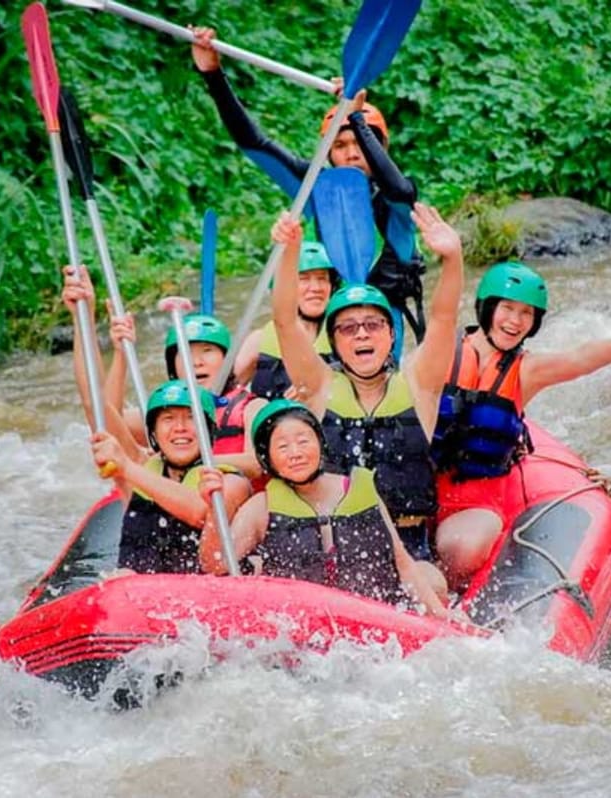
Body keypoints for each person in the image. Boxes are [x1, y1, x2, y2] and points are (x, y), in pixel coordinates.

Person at [432, 262, 611, 588]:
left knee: (463, 551)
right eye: (507, 308)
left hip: (477, 501)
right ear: (487, 307)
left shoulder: (526, 371)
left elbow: (579, 358)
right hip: (422, 488)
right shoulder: (441, 352)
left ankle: (445, 598)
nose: (515, 321)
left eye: (527, 313)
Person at [190, 26, 426, 354]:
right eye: (340, 145)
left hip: (385, 331)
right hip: (330, 328)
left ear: (379, 147)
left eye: (361, 143)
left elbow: (399, 191)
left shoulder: (397, 204)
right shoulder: (318, 191)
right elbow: (254, 144)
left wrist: (357, 120)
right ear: (328, 153)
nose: (352, 152)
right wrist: (213, 75)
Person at [267, 203, 463, 561]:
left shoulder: (420, 384)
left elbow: (443, 318)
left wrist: (453, 259)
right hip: (337, 543)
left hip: (409, 541)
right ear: (334, 342)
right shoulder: (318, 385)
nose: (361, 335)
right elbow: (284, 321)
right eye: (348, 327)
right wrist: (290, 251)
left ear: (391, 335)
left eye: (372, 325)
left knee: (431, 584)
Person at [196, 398, 447, 616]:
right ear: (267, 457)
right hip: (302, 624)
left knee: (432, 579)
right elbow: (216, 565)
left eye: (303, 441)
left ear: (320, 444)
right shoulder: (262, 508)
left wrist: (442, 617)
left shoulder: (360, 489)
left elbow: (402, 563)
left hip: (370, 615)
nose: (295, 453)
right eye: (282, 447)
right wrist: (212, 510)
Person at [62, 264, 267, 479]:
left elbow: (257, 463)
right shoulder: (164, 412)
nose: (196, 362)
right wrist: (86, 321)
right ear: (172, 367)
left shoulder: (251, 407)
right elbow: (104, 418)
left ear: (227, 360)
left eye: (207, 351)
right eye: (186, 353)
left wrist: (189, 460)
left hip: (227, 499)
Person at [91, 379, 252, 575]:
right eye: (168, 419)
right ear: (154, 433)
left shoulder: (230, 482)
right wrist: (117, 352)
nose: (180, 428)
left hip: (203, 598)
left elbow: (197, 512)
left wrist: (126, 467)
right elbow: (94, 403)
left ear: (209, 431)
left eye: (191, 417)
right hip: (137, 592)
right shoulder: (144, 467)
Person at [232, 239, 339, 399]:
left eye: (322, 278)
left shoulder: (345, 338)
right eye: (303, 279)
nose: (316, 288)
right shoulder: (258, 342)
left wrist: (320, 388)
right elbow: (226, 396)